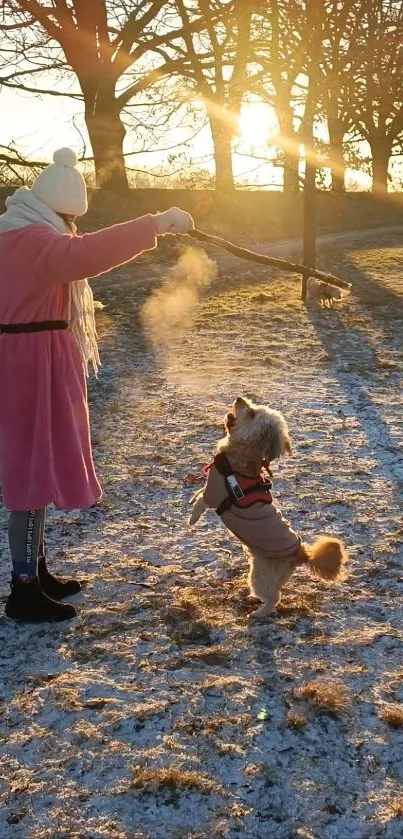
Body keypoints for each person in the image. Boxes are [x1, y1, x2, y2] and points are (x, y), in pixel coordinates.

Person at [0, 147, 194, 623]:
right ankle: (23, 588)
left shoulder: (22, 231)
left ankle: (35, 570)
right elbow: (84, 255)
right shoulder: (30, 240)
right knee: (28, 474)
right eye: (69, 218)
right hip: (27, 363)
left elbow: (75, 251)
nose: (72, 228)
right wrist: (153, 224)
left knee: (37, 468)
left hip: (35, 357)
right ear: (57, 210)